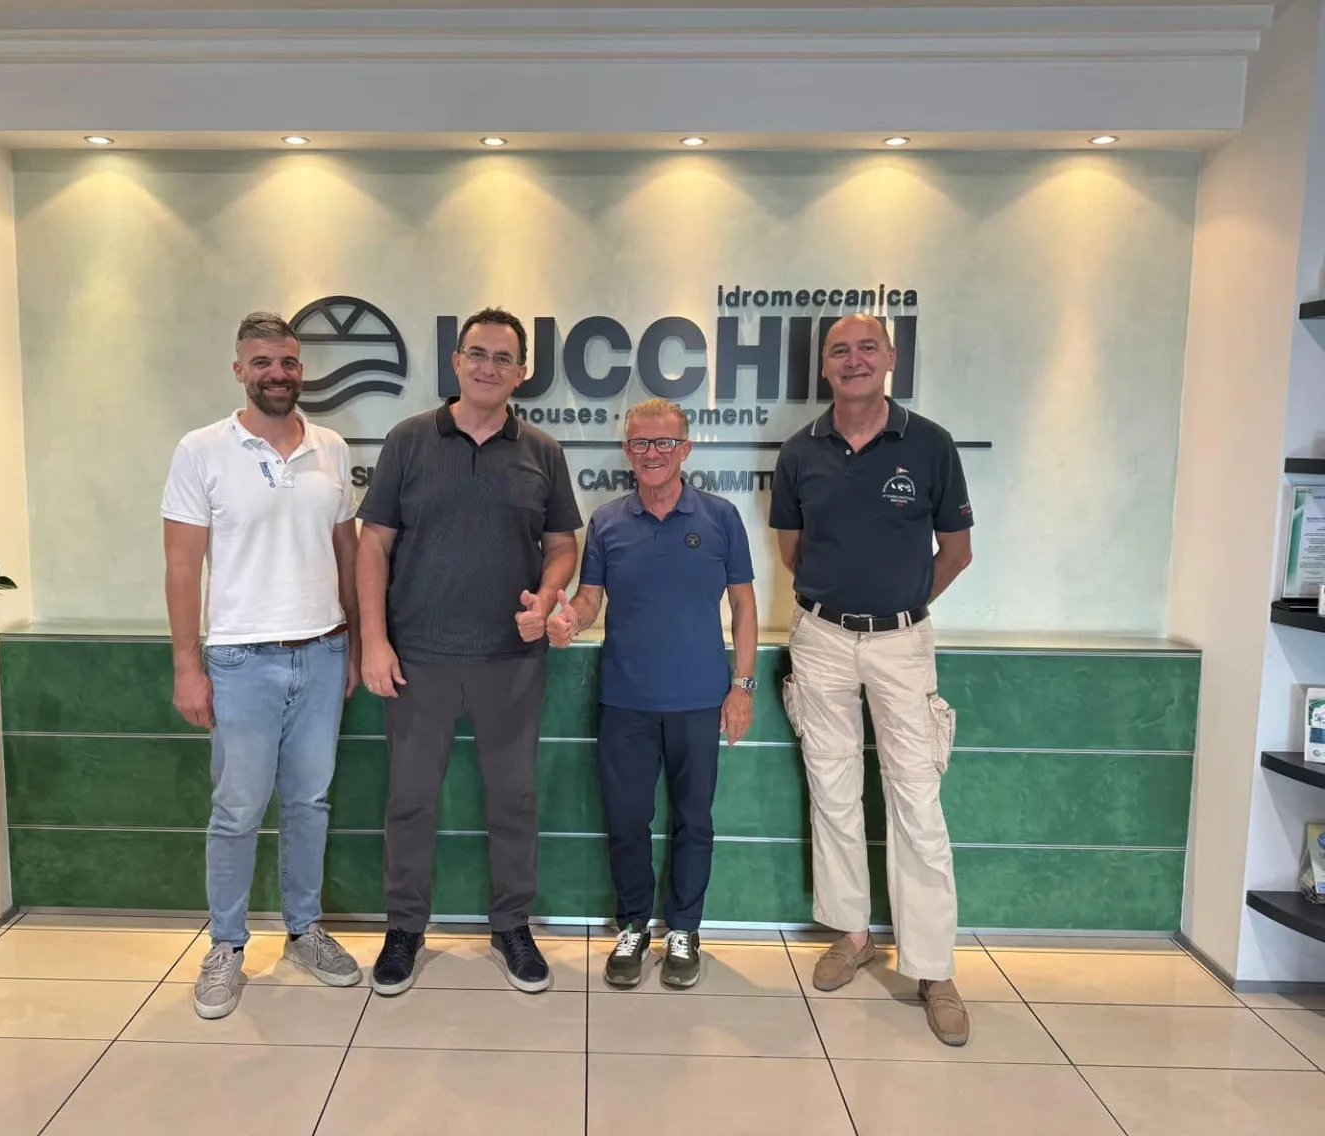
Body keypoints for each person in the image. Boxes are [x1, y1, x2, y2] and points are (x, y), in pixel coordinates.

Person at [356, 306, 581, 995]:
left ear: (522, 372)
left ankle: (512, 925)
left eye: (503, 357)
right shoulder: (409, 441)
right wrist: (374, 641)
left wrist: (547, 596)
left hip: (510, 662)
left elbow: (562, 545)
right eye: (477, 354)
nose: (489, 367)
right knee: (410, 800)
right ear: (456, 362)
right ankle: (404, 927)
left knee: (513, 799)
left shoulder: (541, 450)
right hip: (417, 660)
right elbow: (373, 545)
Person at [770, 312, 974, 1047]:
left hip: (902, 643)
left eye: (866, 348)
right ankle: (852, 934)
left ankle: (933, 967)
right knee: (832, 787)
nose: (852, 360)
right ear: (824, 365)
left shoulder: (930, 445)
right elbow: (792, 550)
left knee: (916, 798)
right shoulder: (800, 452)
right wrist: (845, 606)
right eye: (839, 351)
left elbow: (956, 551)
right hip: (821, 637)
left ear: (889, 357)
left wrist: (900, 605)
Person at [162, 311, 363, 1020]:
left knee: (309, 803)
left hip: (323, 650)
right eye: (263, 363)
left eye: (288, 362)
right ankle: (226, 946)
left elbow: (347, 552)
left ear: (300, 368)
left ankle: (304, 931)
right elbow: (182, 566)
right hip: (240, 659)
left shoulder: (330, 448)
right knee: (238, 809)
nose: (277, 374)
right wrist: (187, 666)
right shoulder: (201, 450)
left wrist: (355, 642)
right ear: (240, 370)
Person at [548, 398, 757, 990]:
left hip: (699, 699)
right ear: (627, 451)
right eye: (640, 442)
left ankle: (684, 929)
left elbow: (744, 606)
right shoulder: (607, 522)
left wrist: (741, 687)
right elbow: (590, 599)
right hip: (626, 700)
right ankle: (634, 925)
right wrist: (569, 621)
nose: (652, 453)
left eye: (664, 442)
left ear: (685, 449)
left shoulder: (720, 517)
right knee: (626, 820)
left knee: (694, 820)